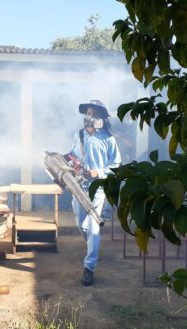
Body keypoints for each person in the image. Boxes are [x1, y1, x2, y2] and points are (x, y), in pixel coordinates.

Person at [65, 99, 121, 286]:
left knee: (93, 225)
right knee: (82, 225)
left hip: (98, 188)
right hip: (78, 186)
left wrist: (99, 172)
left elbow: (116, 167)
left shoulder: (109, 140)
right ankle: (92, 247)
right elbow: (73, 155)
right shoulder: (79, 136)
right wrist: (70, 161)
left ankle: (89, 266)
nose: (90, 117)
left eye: (94, 114)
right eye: (88, 113)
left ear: (102, 118)